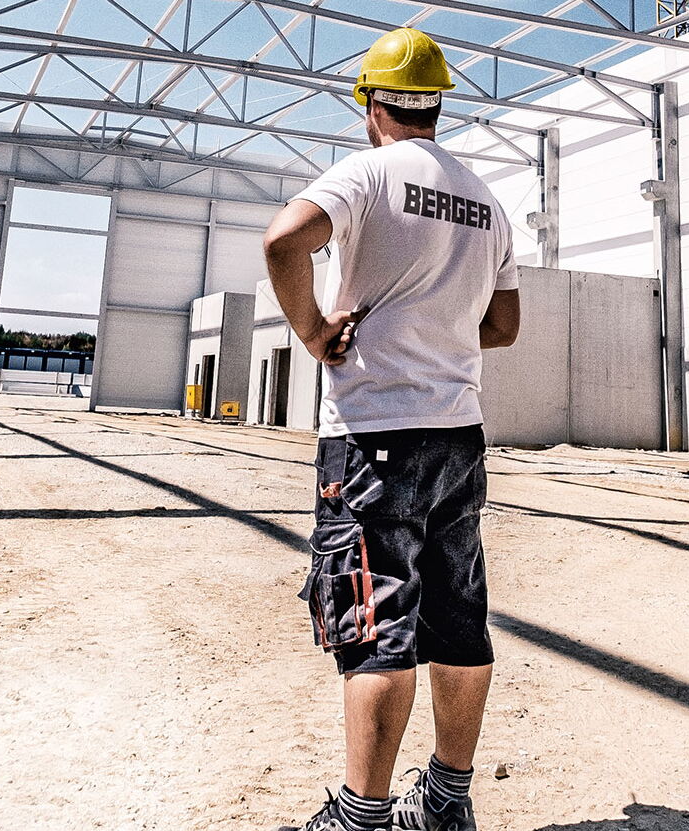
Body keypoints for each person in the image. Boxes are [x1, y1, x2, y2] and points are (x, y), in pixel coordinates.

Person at [261, 26, 521, 831]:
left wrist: (314, 332)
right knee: (459, 620)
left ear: (371, 105)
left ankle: (360, 817)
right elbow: (504, 325)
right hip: (458, 436)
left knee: (376, 628)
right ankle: (446, 801)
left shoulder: (366, 174)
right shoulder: (485, 199)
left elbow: (284, 241)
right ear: (438, 104)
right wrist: (439, 329)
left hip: (374, 434)